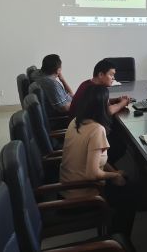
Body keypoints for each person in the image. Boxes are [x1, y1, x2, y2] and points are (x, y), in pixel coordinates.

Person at [60, 84, 139, 241]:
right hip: (82, 194)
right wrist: (115, 176)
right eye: (107, 102)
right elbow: (92, 173)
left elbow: (98, 159)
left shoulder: (76, 121)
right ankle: (117, 239)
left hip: (68, 187)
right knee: (131, 192)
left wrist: (114, 172)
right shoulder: (96, 129)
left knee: (125, 180)